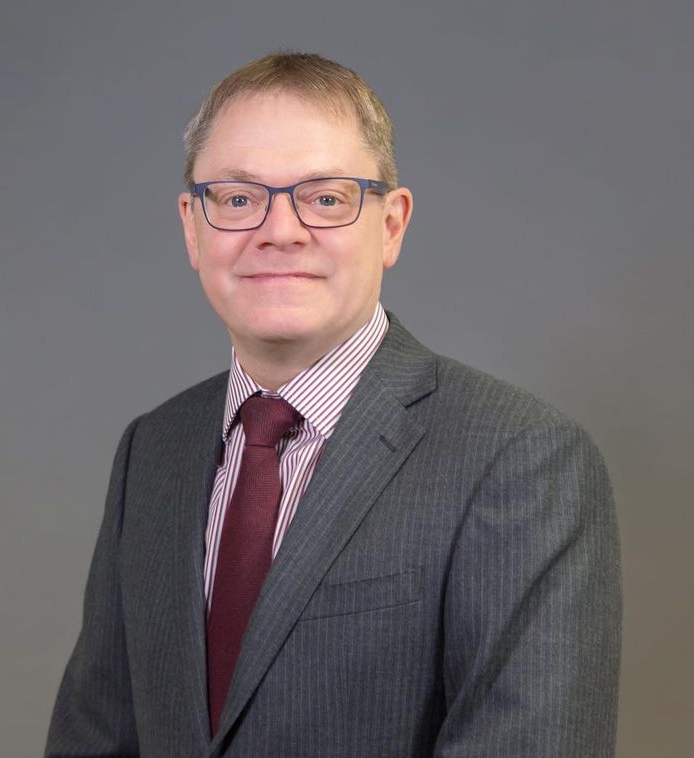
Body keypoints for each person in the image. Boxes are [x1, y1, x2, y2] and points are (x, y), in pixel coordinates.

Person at [45, 52, 621, 757]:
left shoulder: (520, 458)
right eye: (237, 198)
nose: (280, 231)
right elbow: (94, 739)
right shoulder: (153, 450)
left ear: (391, 225)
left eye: (325, 198)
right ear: (192, 227)